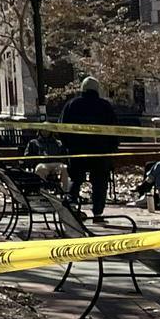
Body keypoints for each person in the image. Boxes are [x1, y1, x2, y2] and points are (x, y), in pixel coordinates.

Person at [59, 76, 120, 222]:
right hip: (101, 152)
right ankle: (98, 213)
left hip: (77, 151)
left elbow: (61, 128)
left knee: (76, 179)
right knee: (100, 183)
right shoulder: (105, 106)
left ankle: (72, 205)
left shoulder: (72, 105)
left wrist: (68, 145)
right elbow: (114, 129)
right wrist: (112, 148)